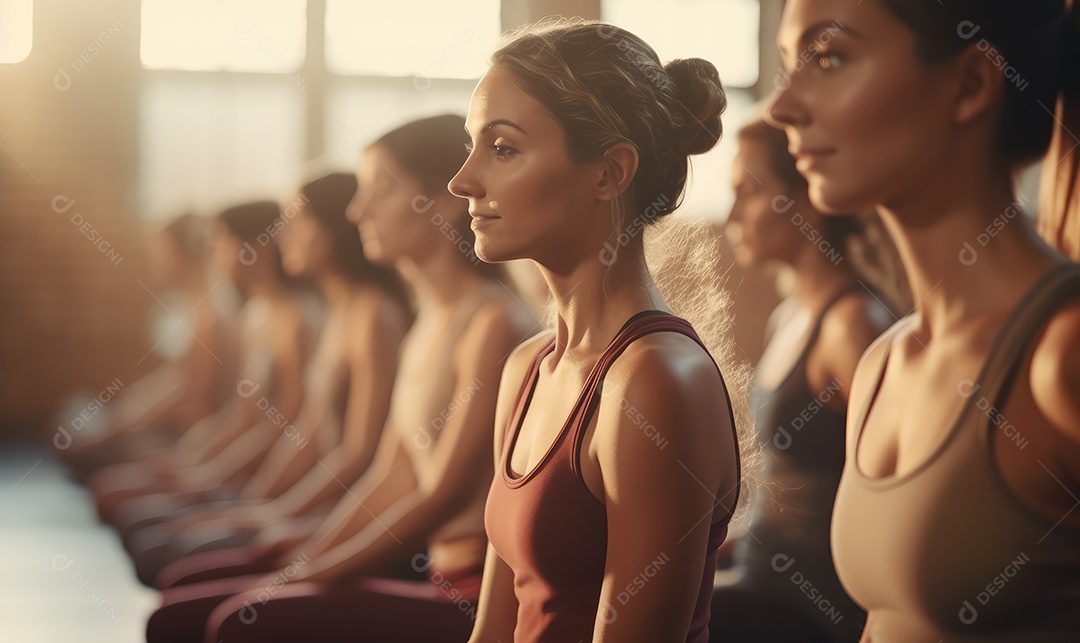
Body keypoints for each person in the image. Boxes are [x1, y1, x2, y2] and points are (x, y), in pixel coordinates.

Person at [146, 114, 534, 643]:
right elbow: (391, 471)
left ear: (441, 201)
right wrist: (306, 554)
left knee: (224, 622)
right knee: (184, 600)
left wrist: (313, 569)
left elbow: (439, 494)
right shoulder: (427, 322)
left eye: (378, 192)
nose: (357, 211)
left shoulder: (492, 321)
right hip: (422, 568)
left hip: (461, 590)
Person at [769, 0, 1080, 640]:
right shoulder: (885, 360)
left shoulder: (1061, 351)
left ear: (968, 85)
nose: (782, 108)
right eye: (784, 66)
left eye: (828, 59)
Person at [445, 19, 745, 643]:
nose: (462, 181)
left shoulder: (656, 381)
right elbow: (496, 629)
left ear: (609, 173)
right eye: (473, 146)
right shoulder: (528, 366)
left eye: (502, 149)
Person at [127, 174, 410, 586]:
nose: (283, 237)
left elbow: (358, 453)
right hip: (305, 505)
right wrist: (259, 504)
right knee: (149, 539)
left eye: (297, 223)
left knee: (165, 561)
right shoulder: (337, 311)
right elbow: (304, 430)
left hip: (338, 513)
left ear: (332, 227)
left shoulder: (369, 316)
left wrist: (276, 512)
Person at [710, 119, 899, 642]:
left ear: (806, 200)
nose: (730, 215)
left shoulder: (852, 326)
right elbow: (783, 487)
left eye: (747, 193)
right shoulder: (789, 314)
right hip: (759, 580)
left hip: (808, 606)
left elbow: (900, 488)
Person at [88, 201, 315, 524]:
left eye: (221, 243)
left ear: (257, 248)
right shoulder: (255, 316)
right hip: (224, 458)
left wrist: (219, 484)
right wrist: (193, 466)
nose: (214, 254)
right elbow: (242, 416)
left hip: (258, 474)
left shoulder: (298, 321)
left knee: (134, 523)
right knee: (111, 493)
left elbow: (281, 429)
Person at [56, 213, 239, 476]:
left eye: (162, 252)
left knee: (75, 443)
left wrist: (124, 425)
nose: (156, 261)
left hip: (185, 435)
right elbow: (175, 375)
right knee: (74, 417)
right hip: (170, 427)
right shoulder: (193, 306)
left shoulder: (210, 314)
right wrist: (123, 410)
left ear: (182, 254)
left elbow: (188, 392)